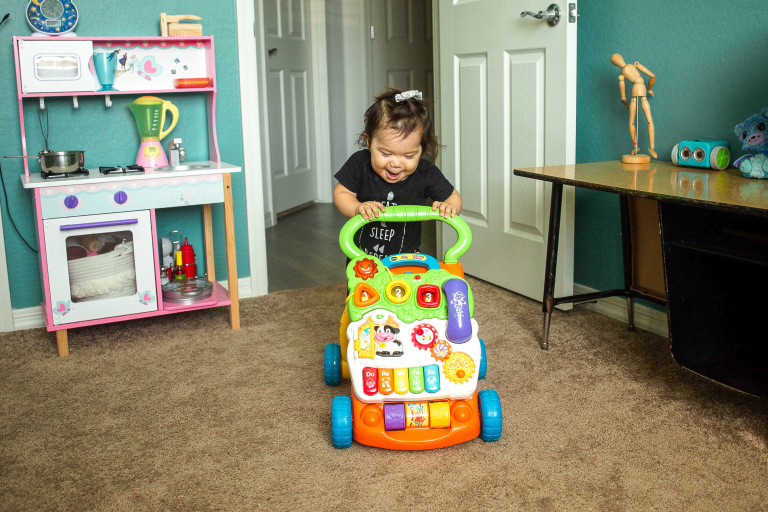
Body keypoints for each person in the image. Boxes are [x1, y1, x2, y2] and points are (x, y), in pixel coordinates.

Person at [333, 88, 462, 259]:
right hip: (362, 260)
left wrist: (449, 207)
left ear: (421, 148)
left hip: (407, 259)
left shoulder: (425, 172)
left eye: (409, 156)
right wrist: (358, 208)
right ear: (369, 141)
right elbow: (342, 193)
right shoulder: (359, 163)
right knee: (363, 287)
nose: (396, 163)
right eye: (386, 154)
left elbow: (453, 196)